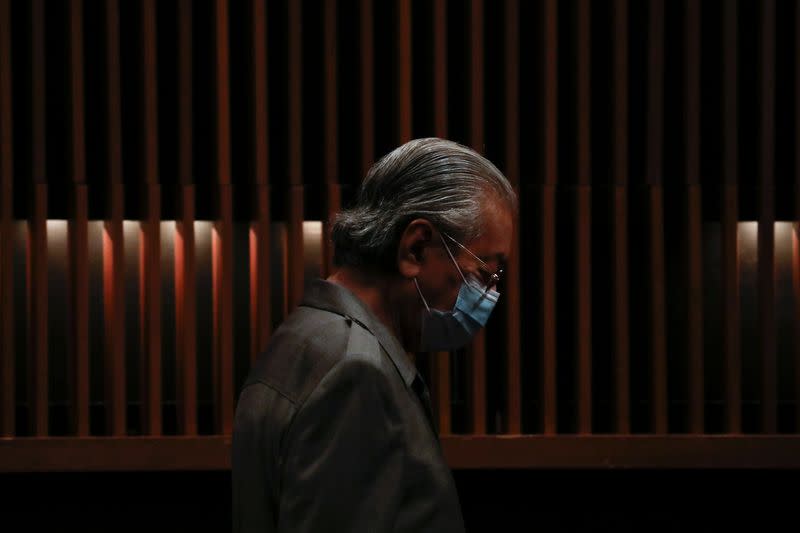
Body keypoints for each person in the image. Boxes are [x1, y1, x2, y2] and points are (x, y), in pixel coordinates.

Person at [232, 137, 516, 532]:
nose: (489, 293)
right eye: (485, 271)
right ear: (416, 248)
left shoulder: (305, 335)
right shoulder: (356, 373)